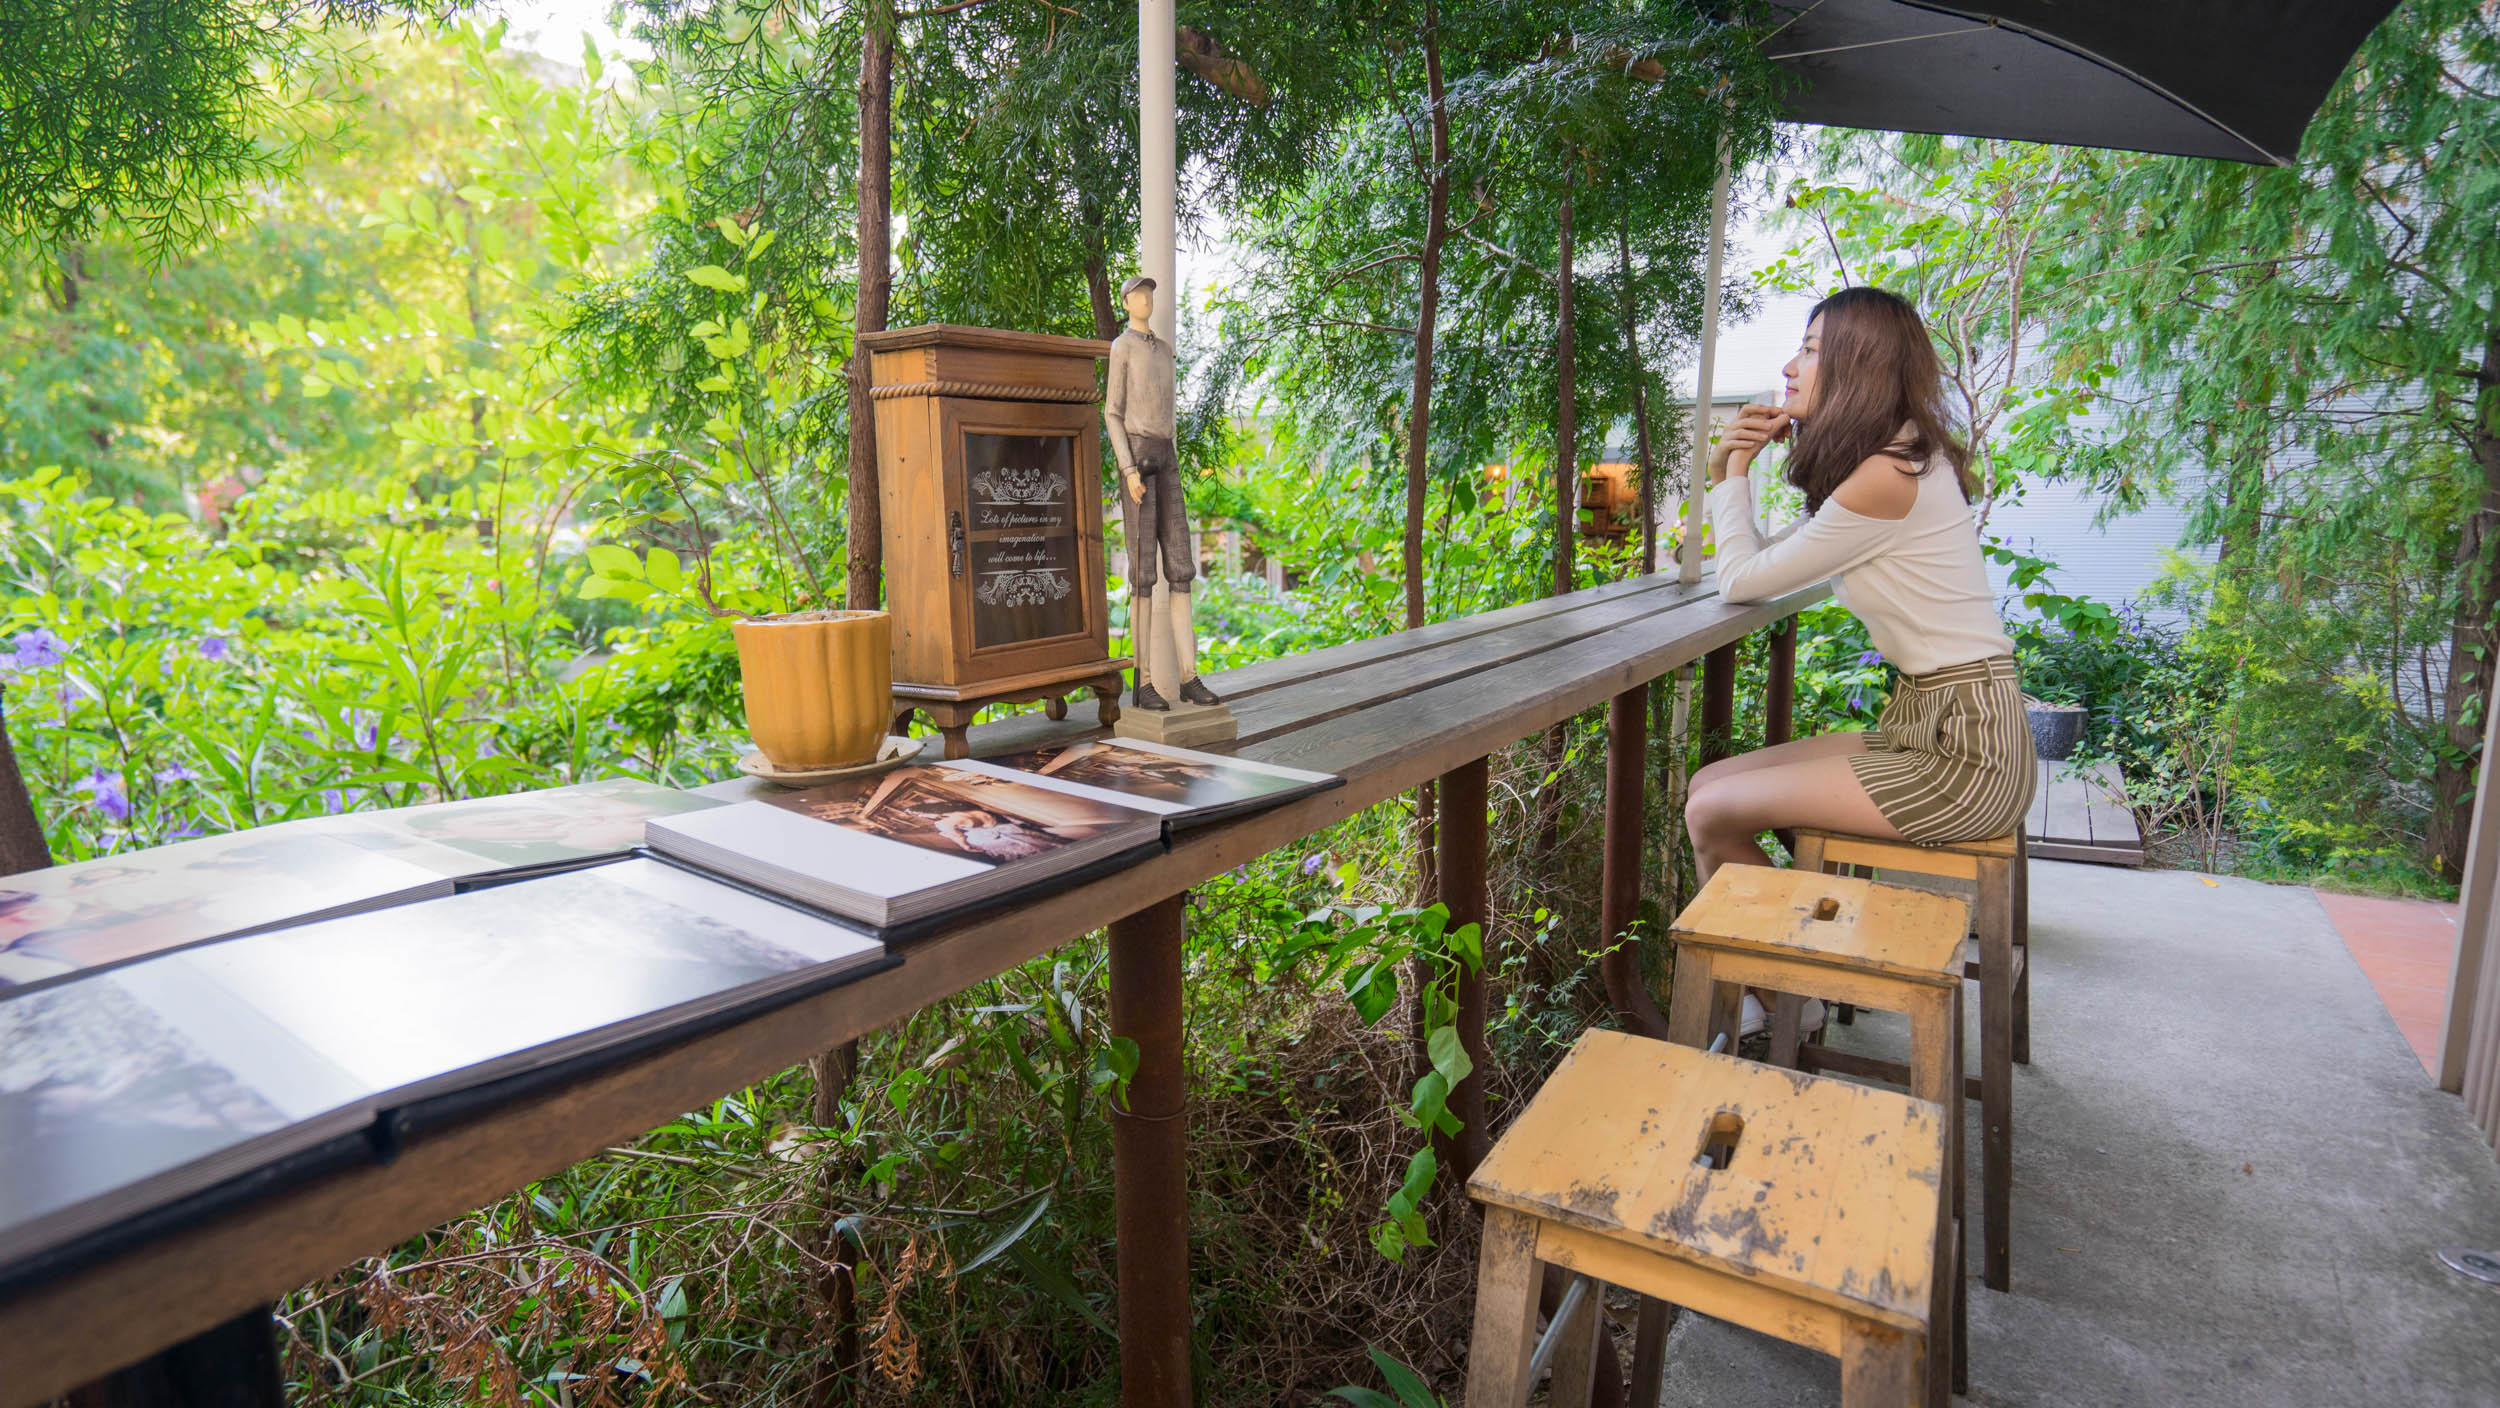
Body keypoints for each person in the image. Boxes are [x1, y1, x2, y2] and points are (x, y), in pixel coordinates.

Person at [1687, 286, 2035, 1036]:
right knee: (1711, 784)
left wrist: (1731, 473)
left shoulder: (1889, 475)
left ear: (1856, 364)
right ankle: (1783, 982)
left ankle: (1784, 996)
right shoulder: (1898, 458)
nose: (1789, 366)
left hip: (1964, 755)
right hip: (1936, 721)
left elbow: (1743, 581)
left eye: (1810, 350)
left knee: (1711, 811)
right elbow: (1778, 560)